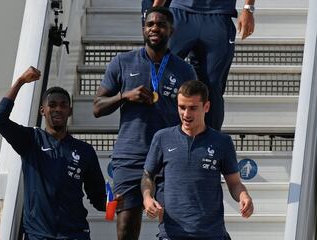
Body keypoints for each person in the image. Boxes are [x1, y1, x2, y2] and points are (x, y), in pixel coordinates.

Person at [93, 7, 197, 240]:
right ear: (143, 28)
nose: (154, 29)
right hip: (130, 155)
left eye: (160, 25)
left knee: (173, 225)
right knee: (126, 228)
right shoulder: (123, 61)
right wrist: (124, 96)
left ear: (171, 30)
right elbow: (97, 107)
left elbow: (195, 113)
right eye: (150, 24)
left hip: (168, 156)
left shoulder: (184, 69)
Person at [0, 67, 106, 240]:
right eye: (52, 105)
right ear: (42, 111)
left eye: (63, 105)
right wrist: (20, 81)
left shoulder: (85, 151)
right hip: (39, 235)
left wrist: (117, 202)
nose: (57, 109)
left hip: (75, 235)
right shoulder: (31, 140)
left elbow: (99, 200)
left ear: (70, 110)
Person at [141, 80, 254, 239]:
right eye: (182, 107)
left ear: (206, 107)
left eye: (193, 108)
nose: (186, 114)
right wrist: (147, 198)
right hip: (172, 234)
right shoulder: (162, 138)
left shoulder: (222, 142)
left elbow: (234, 183)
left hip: (211, 234)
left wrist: (244, 196)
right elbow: (147, 176)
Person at [152, 0, 256, 131]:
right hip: (181, 13)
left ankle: (210, 143)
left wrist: (248, 9)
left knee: (212, 86)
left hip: (219, 15)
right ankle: (162, 138)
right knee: (162, 77)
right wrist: (156, 7)